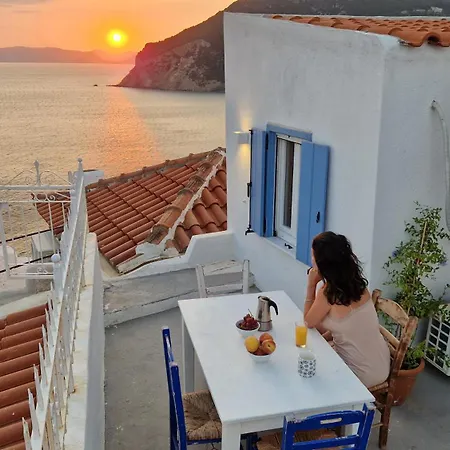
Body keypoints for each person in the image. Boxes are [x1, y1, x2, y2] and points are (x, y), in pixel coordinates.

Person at [303, 231, 390, 388]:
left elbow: (309, 322)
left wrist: (311, 285)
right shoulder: (358, 285)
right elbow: (346, 328)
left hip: (361, 373)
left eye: (313, 256)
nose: (312, 260)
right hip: (381, 364)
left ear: (323, 263)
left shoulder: (329, 293)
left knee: (308, 370)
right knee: (316, 350)